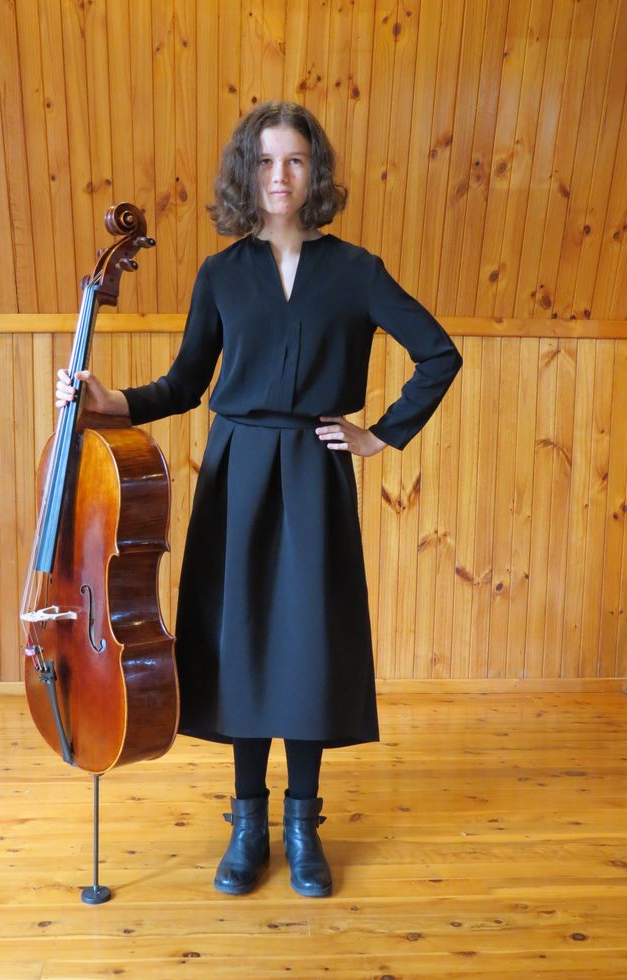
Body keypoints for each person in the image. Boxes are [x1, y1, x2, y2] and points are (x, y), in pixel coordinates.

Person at [55, 101, 462, 899]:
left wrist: (380, 434)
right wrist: (110, 401)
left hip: (313, 472)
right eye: (267, 161)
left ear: (317, 173)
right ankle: (247, 821)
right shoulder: (222, 273)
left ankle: (304, 823)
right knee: (239, 642)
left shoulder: (356, 271)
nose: (281, 176)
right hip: (236, 470)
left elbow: (438, 355)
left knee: (305, 644)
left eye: (297, 161)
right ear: (249, 172)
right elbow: (184, 384)